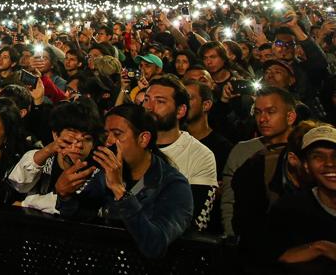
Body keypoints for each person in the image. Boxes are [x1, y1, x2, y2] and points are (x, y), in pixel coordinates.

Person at [55, 103, 193, 259]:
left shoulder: (174, 186)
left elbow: (155, 245)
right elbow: (80, 217)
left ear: (143, 139)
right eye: (107, 134)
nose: (109, 141)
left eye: (117, 134)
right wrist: (65, 195)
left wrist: (119, 190)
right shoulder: (105, 174)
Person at [221, 86, 299, 237]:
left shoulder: (305, 150)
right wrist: (232, 239)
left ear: (290, 117)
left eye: (271, 112)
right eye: (257, 112)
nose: (262, 119)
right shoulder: (242, 151)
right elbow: (229, 202)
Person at [142, 75, 218, 230]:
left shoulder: (200, 155)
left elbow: (193, 219)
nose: (149, 107)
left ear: (180, 110)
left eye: (160, 101)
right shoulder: (130, 145)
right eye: (147, 99)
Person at [263, 124, 336, 272]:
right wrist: (320, 247)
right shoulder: (289, 209)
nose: (329, 163)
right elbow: (273, 259)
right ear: (307, 166)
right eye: (318, 157)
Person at [8, 99, 101, 213]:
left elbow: (79, 210)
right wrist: (47, 150)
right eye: (71, 136)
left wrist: (26, 203)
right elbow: (18, 184)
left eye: (87, 139)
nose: (79, 145)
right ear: (56, 135)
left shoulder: (95, 172)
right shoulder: (43, 158)